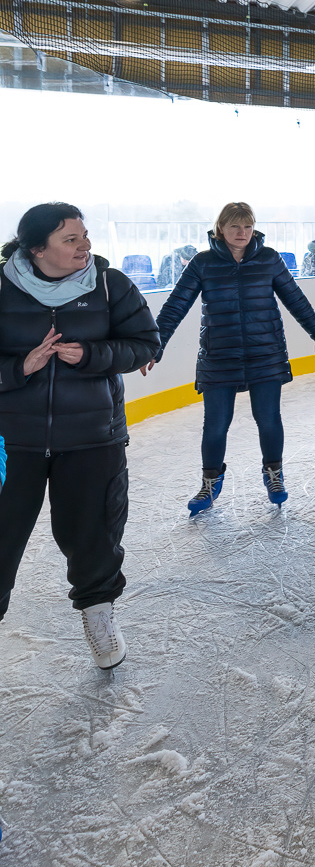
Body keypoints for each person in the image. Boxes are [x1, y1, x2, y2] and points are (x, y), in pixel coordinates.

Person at [0, 202, 158, 668]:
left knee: (94, 535)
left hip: (92, 436)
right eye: (71, 239)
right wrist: (20, 367)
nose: (84, 245)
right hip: (11, 440)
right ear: (37, 249)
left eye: (84, 235)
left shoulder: (110, 285)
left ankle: (99, 616)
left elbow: (145, 344)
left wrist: (91, 356)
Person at [154, 201, 315, 513]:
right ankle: (210, 483)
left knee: (269, 418)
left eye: (248, 226)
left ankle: (274, 474)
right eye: (235, 226)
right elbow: (176, 305)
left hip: (265, 353)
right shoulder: (203, 263)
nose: (242, 232)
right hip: (219, 356)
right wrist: (155, 345)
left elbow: (296, 300)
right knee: (215, 424)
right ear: (220, 228)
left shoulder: (269, 259)